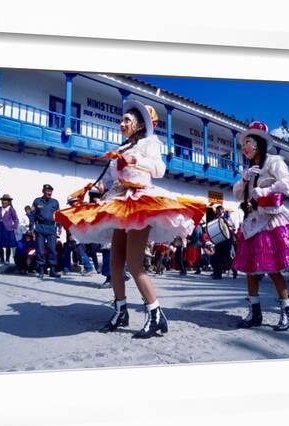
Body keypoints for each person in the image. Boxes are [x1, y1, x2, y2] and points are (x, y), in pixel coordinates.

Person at [55, 101, 206, 338]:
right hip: (119, 200)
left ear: (138, 125)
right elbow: (113, 178)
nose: (121, 123)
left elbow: (159, 169)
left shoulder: (149, 144)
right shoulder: (122, 147)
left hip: (139, 203)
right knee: (115, 263)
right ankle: (121, 310)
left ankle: (156, 315)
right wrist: (89, 189)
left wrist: (136, 161)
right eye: (122, 119)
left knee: (135, 265)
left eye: (127, 120)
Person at [232, 121, 289, 331]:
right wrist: (244, 180)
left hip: (270, 220)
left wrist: (264, 191)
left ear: (259, 144)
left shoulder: (273, 162)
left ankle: (287, 311)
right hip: (253, 221)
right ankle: (255, 314)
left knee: (273, 269)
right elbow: (237, 194)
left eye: (249, 142)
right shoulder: (250, 169)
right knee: (251, 271)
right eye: (244, 143)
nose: (244, 147)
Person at [32, 184, 62, 279]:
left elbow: (58, 216)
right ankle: (41, 270)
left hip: (51, 228)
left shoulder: (55, 202)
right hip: (40, 227)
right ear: (43, 191)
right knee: (40, 250)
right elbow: (32, 215)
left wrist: (60, 227)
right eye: (47, 191)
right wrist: (31, 228)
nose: (49, 193)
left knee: (52, 249)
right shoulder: (37, 201)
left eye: (50, 191)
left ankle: (52, 270)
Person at [0, 194, 19, 264]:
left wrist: (14, 227)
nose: (4, 202)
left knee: (8, 245)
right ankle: (2, 259)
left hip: (8, 230)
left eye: (6, 200)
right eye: (3, 200)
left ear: (9, 202)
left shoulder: (11, 210)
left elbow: (16, 219)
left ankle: (7, 260)